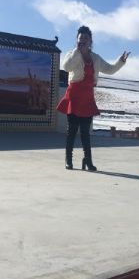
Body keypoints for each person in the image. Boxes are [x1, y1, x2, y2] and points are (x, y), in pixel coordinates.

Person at [57, 25, 130, 171]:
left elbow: (110, 69)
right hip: (74, 96)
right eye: (80, 38)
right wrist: (77, 51)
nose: (83, 40)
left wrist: (120, 61)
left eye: (86, 38)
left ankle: (88, 161)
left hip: (87, 97)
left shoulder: (95, 58)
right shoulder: (72, 54)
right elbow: (66, 67)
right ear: (77, 40)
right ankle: (68, 160)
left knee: (85, 132)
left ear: (90, 41)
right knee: (72, 131)